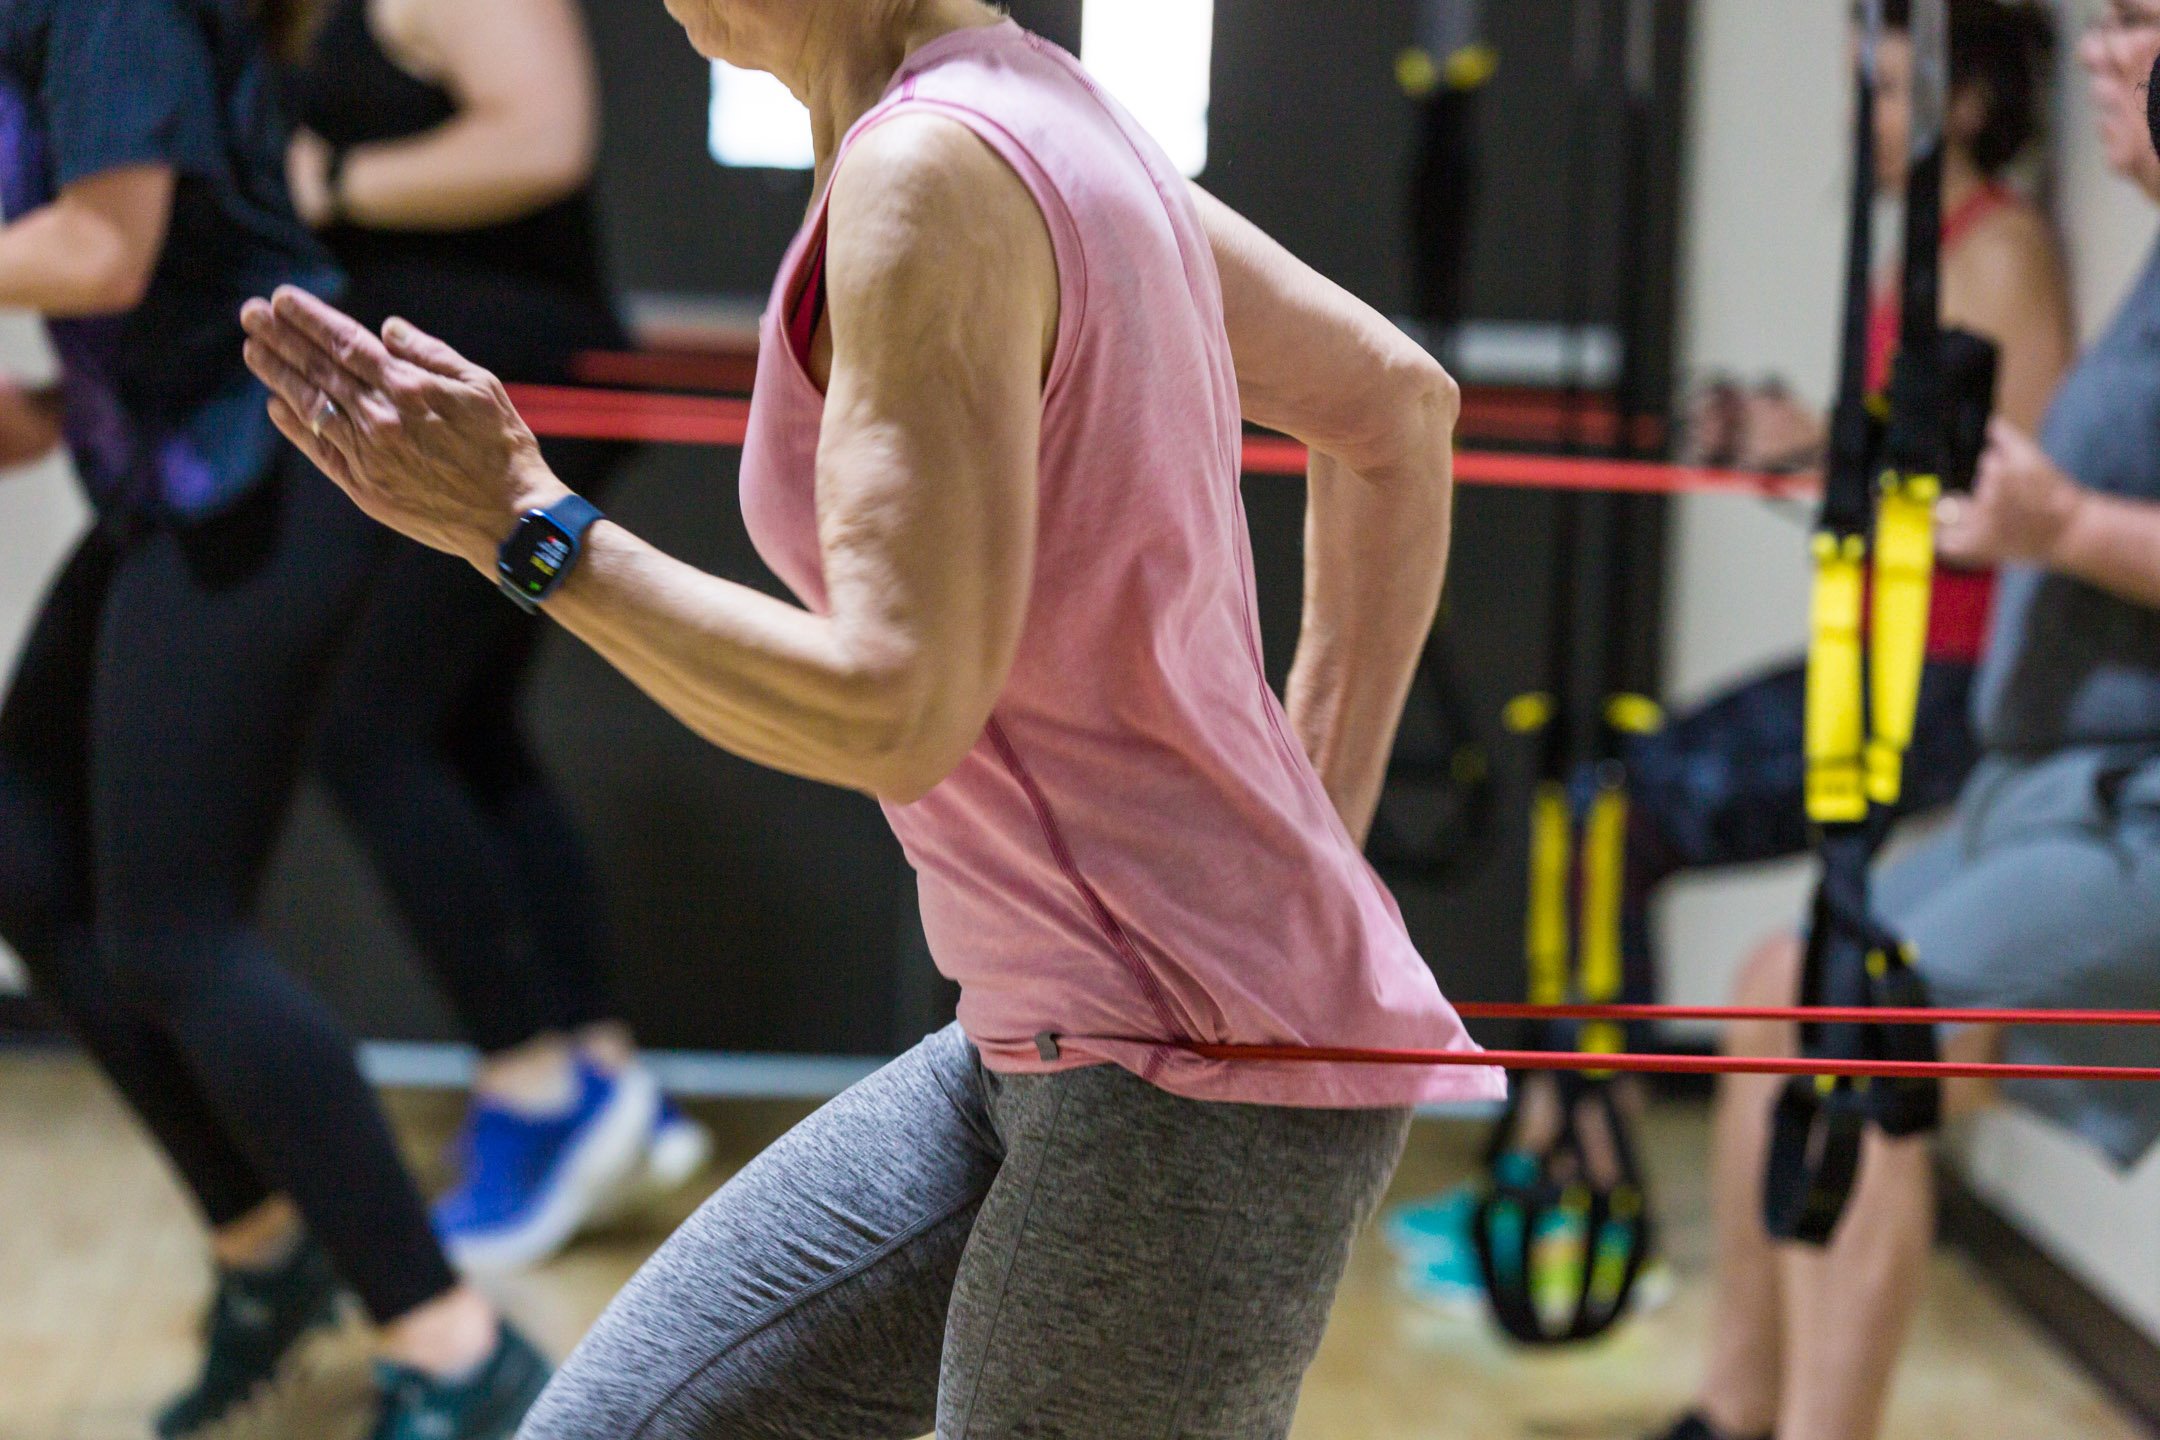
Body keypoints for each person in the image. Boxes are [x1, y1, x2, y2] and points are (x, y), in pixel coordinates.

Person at [241, 0, 1503, 1430]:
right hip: (1068, 1036)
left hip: (1179, 1085)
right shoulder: (1032, 116)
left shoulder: (935, 173)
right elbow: (1396, 406)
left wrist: (528, 527)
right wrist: (1295, 873)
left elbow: (894, 711)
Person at [1383, 0, 2076, 1312]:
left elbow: (2005, 491)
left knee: (1617, 807)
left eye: (1889, 92)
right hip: (1884, 663)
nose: (1866, 119)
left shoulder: (2000, 250)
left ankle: (1587, 1169)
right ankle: (1568, 1149)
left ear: (1969, 98)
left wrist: (1815, 440)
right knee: (1598, 802)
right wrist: (1800, 440)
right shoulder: (1928, 248)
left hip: (1939, 686)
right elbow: (1906, 464)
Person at [0, 3, 549, 1436]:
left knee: (175, 934)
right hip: (172, 469)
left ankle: (458, 1348)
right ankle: (267, 1249)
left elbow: (102, 249)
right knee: (23, 847)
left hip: (269, 466)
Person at [1657, 7, 2160, 1439]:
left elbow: (2038, 509)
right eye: (2103, 26)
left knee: (1867, 1029)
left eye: (2140, 27)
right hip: (2037, 785)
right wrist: (1817, 445)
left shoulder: (2008, 249)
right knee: (1777, 982)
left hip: (2129, 809)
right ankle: (1733, 1414)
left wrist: (2062, 526)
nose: (2104, 55)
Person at [265, 0, 711, 1276]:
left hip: (513, 393)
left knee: (368, 730)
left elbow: (542, 138)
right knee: (460, 726)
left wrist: (331, 183)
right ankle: (602, 1077)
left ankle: (535, 1089)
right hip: (458, 391)